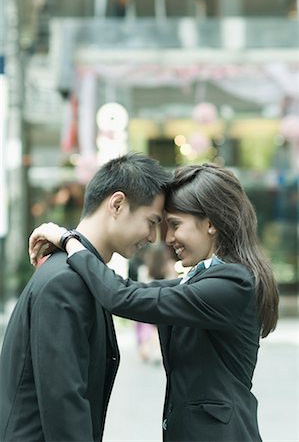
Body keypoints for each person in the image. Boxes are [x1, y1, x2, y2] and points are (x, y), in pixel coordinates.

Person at [29, 163, 279, 442]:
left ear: (210, 223)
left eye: (174, 225)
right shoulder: (201, 282)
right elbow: (133, 292)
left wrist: (70, 241)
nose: (167, 239)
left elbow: (122, 296)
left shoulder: (232, 283)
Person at [0, 153, 171, 442]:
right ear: (117, 204)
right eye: (151, 221)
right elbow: (64, 402)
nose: (154, 237)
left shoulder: (79, 273)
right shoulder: (66, 281)